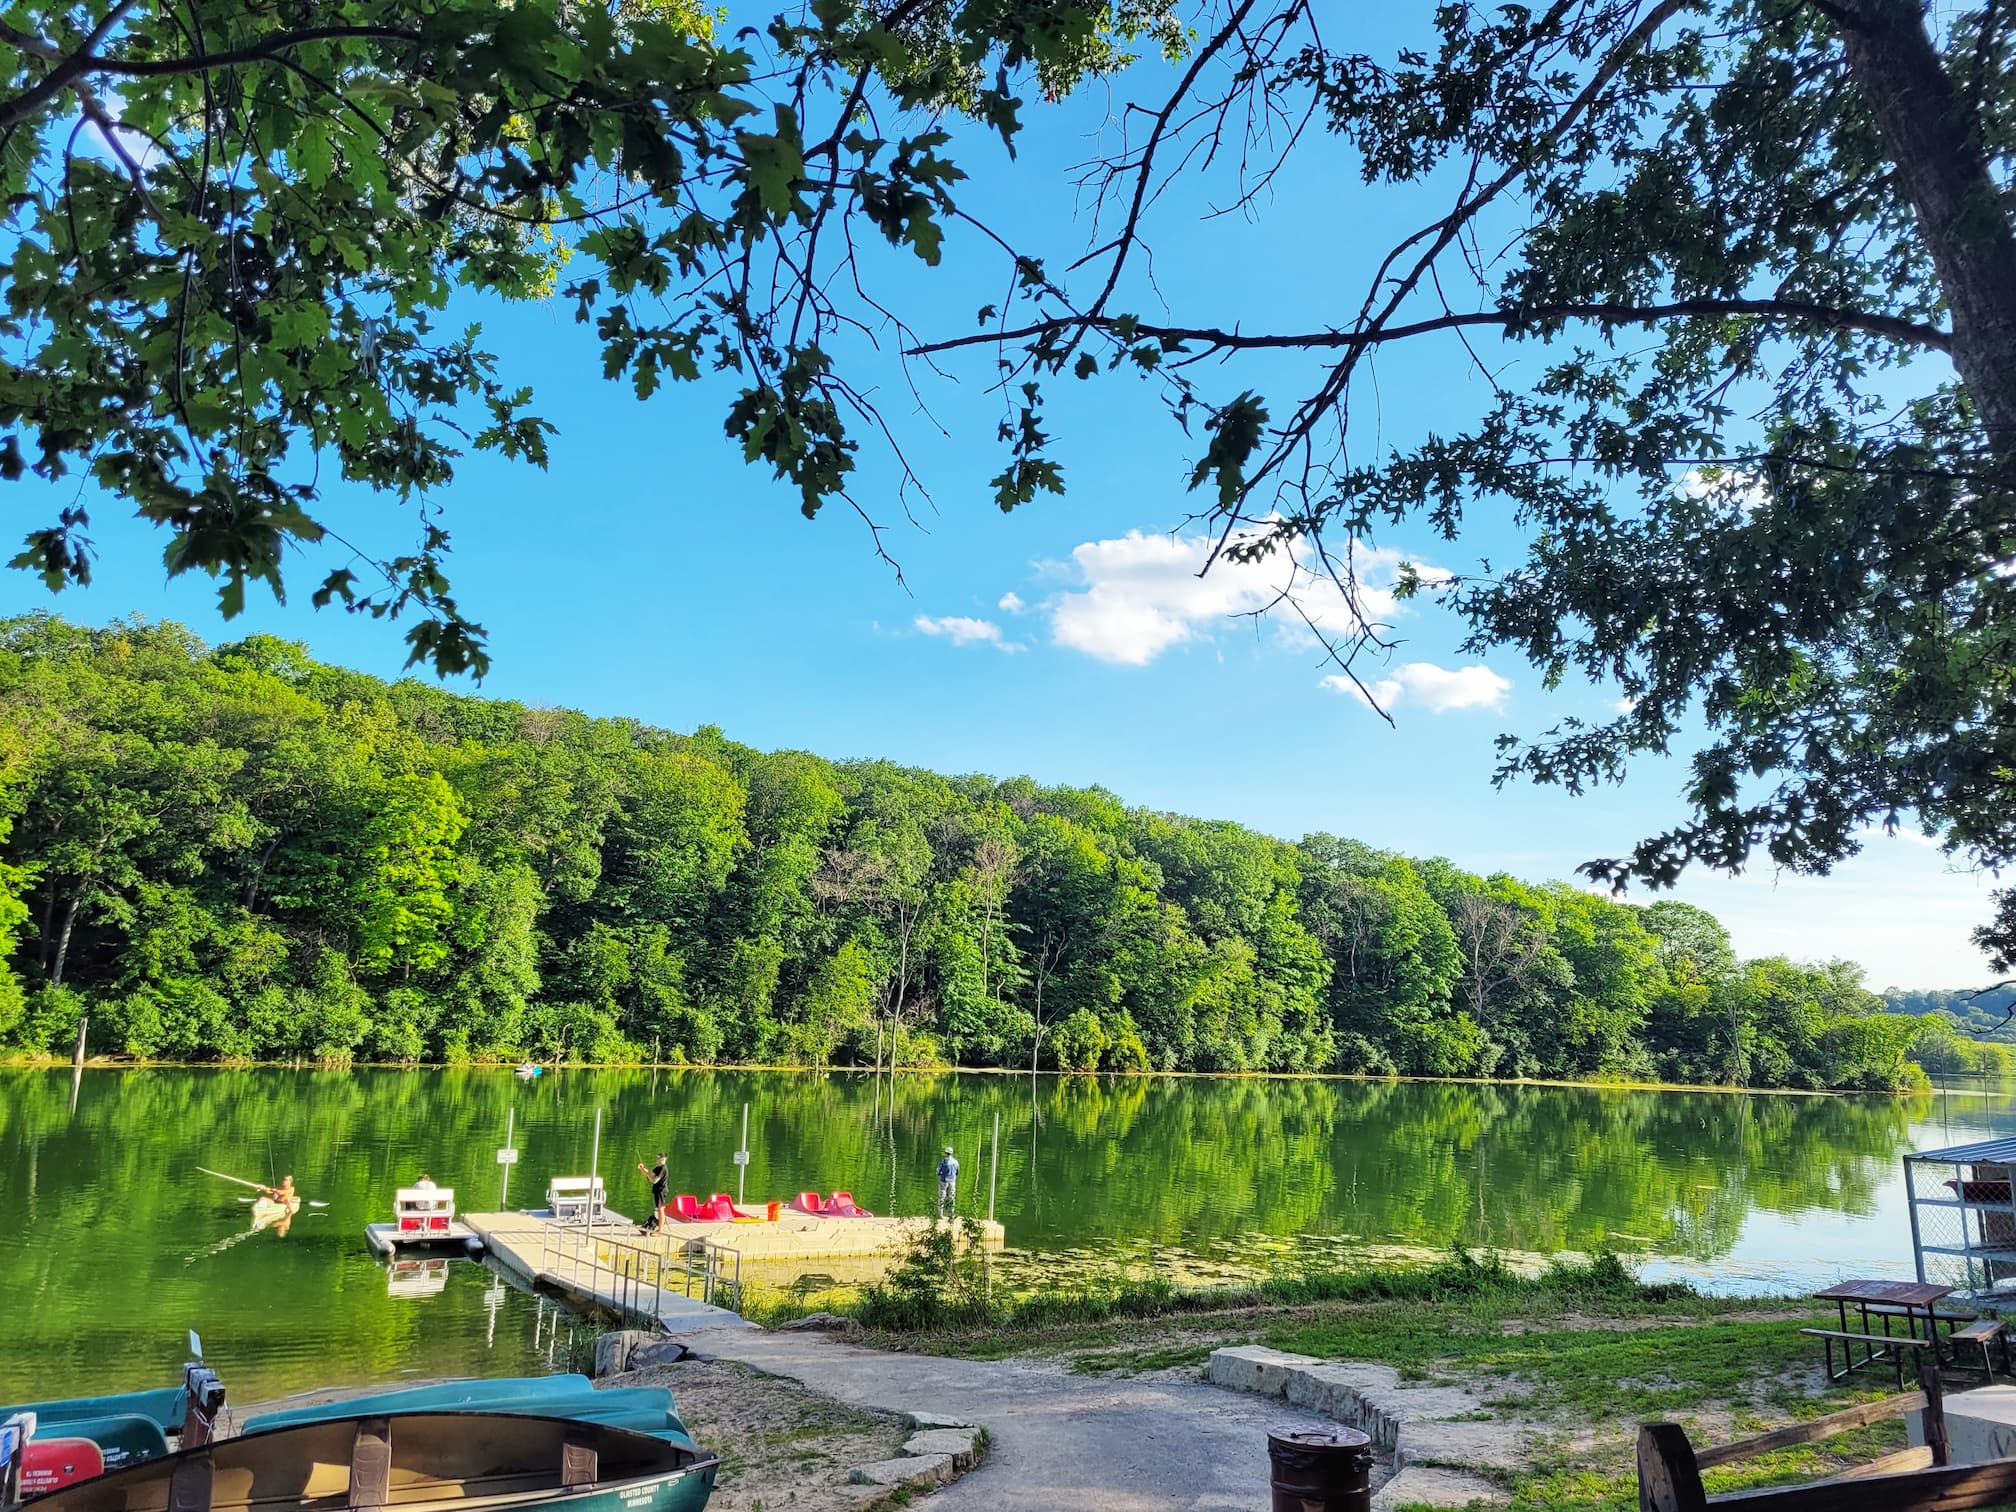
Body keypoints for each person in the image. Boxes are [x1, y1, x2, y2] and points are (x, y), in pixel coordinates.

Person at [637, 1153, 669, 1233]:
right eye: (659, 1159)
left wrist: (648, 1175)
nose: (660, 1160)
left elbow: (654, 1180)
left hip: (661, 1191)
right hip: (657, 1191)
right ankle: (660, 1227)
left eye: (662, 1159)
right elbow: (650, 1174)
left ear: (665, 1160)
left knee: (660, 1209)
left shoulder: (663, 1168)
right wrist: (642, 1169)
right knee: (659, 1209)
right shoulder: (658, 1168)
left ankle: (660, 1229)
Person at [936, 1146, 959, 1217]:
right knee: (951, 1197)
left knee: (941, 1197)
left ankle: (940, 1215)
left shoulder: (943, 1162)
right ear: (951, 1153)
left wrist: (939, 1174)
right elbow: (957, 1172)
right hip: (952, 1182)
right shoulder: (956, 1162)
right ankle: (951, 1214)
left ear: (945, 1153)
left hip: (944, 1181)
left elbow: (938, 1171)